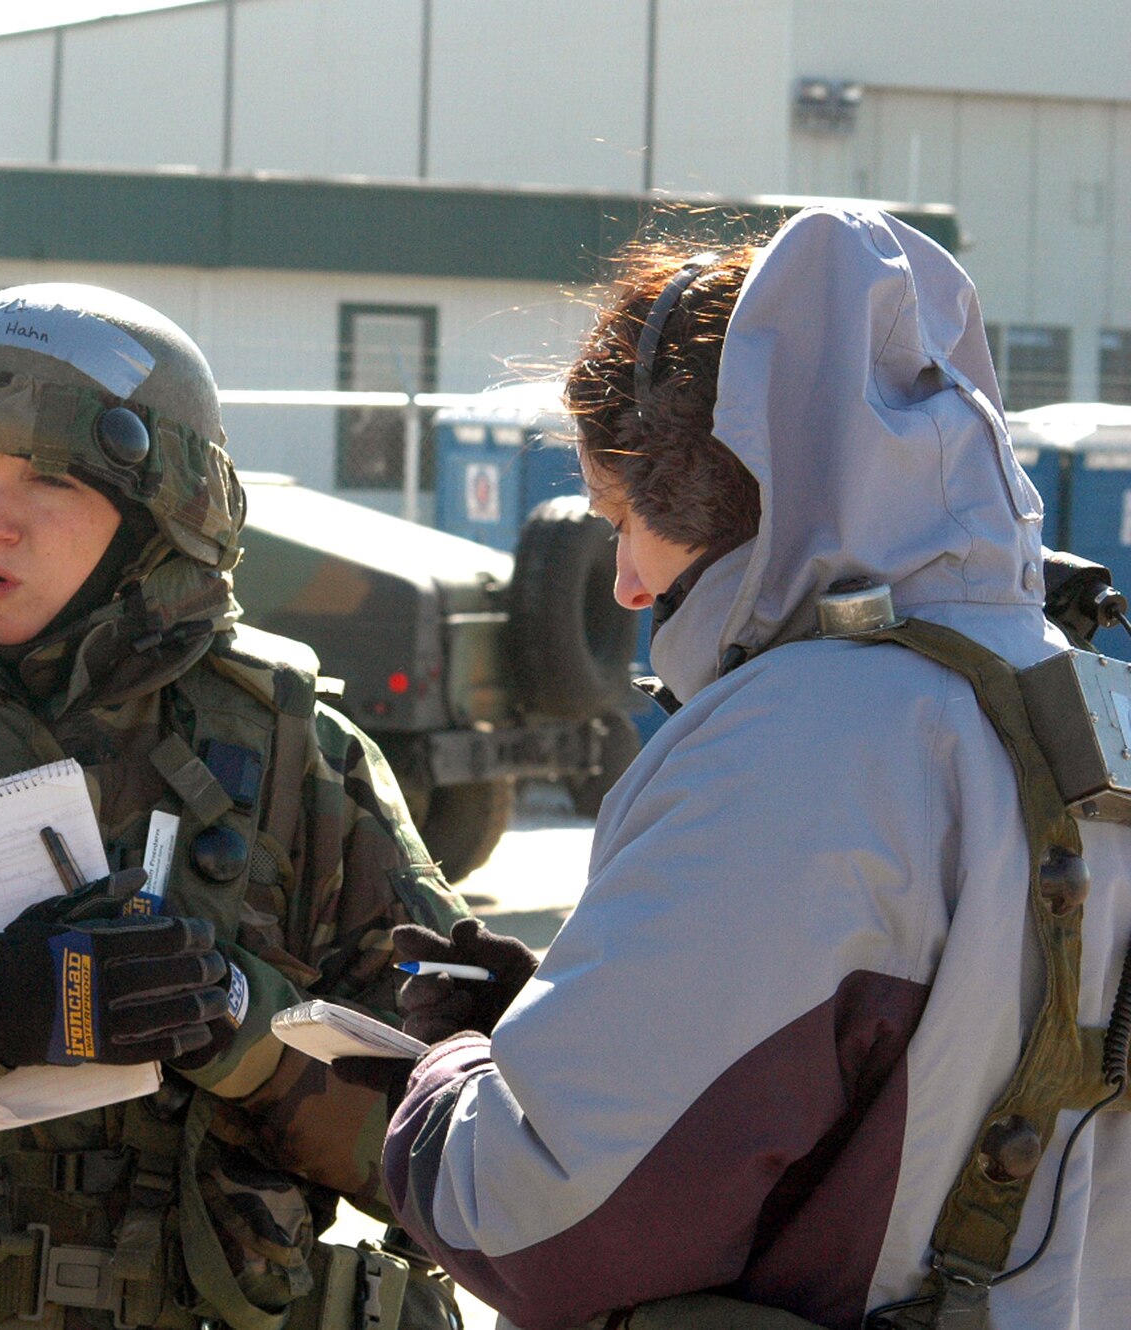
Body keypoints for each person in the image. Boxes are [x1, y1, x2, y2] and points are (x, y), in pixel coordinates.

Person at [0, 283, 508, 1330]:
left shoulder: (289, 748)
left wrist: (239, 1026)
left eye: (49, 480)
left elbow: (461, 1157)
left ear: (154, 518)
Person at [383, 205, 1131, 1328]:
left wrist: (447, 1070)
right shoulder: (1094, 700)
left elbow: (538, 1214)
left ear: (719, 493)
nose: (625, 585)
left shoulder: (805, 741)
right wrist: (552, 1033)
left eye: (624, 517)